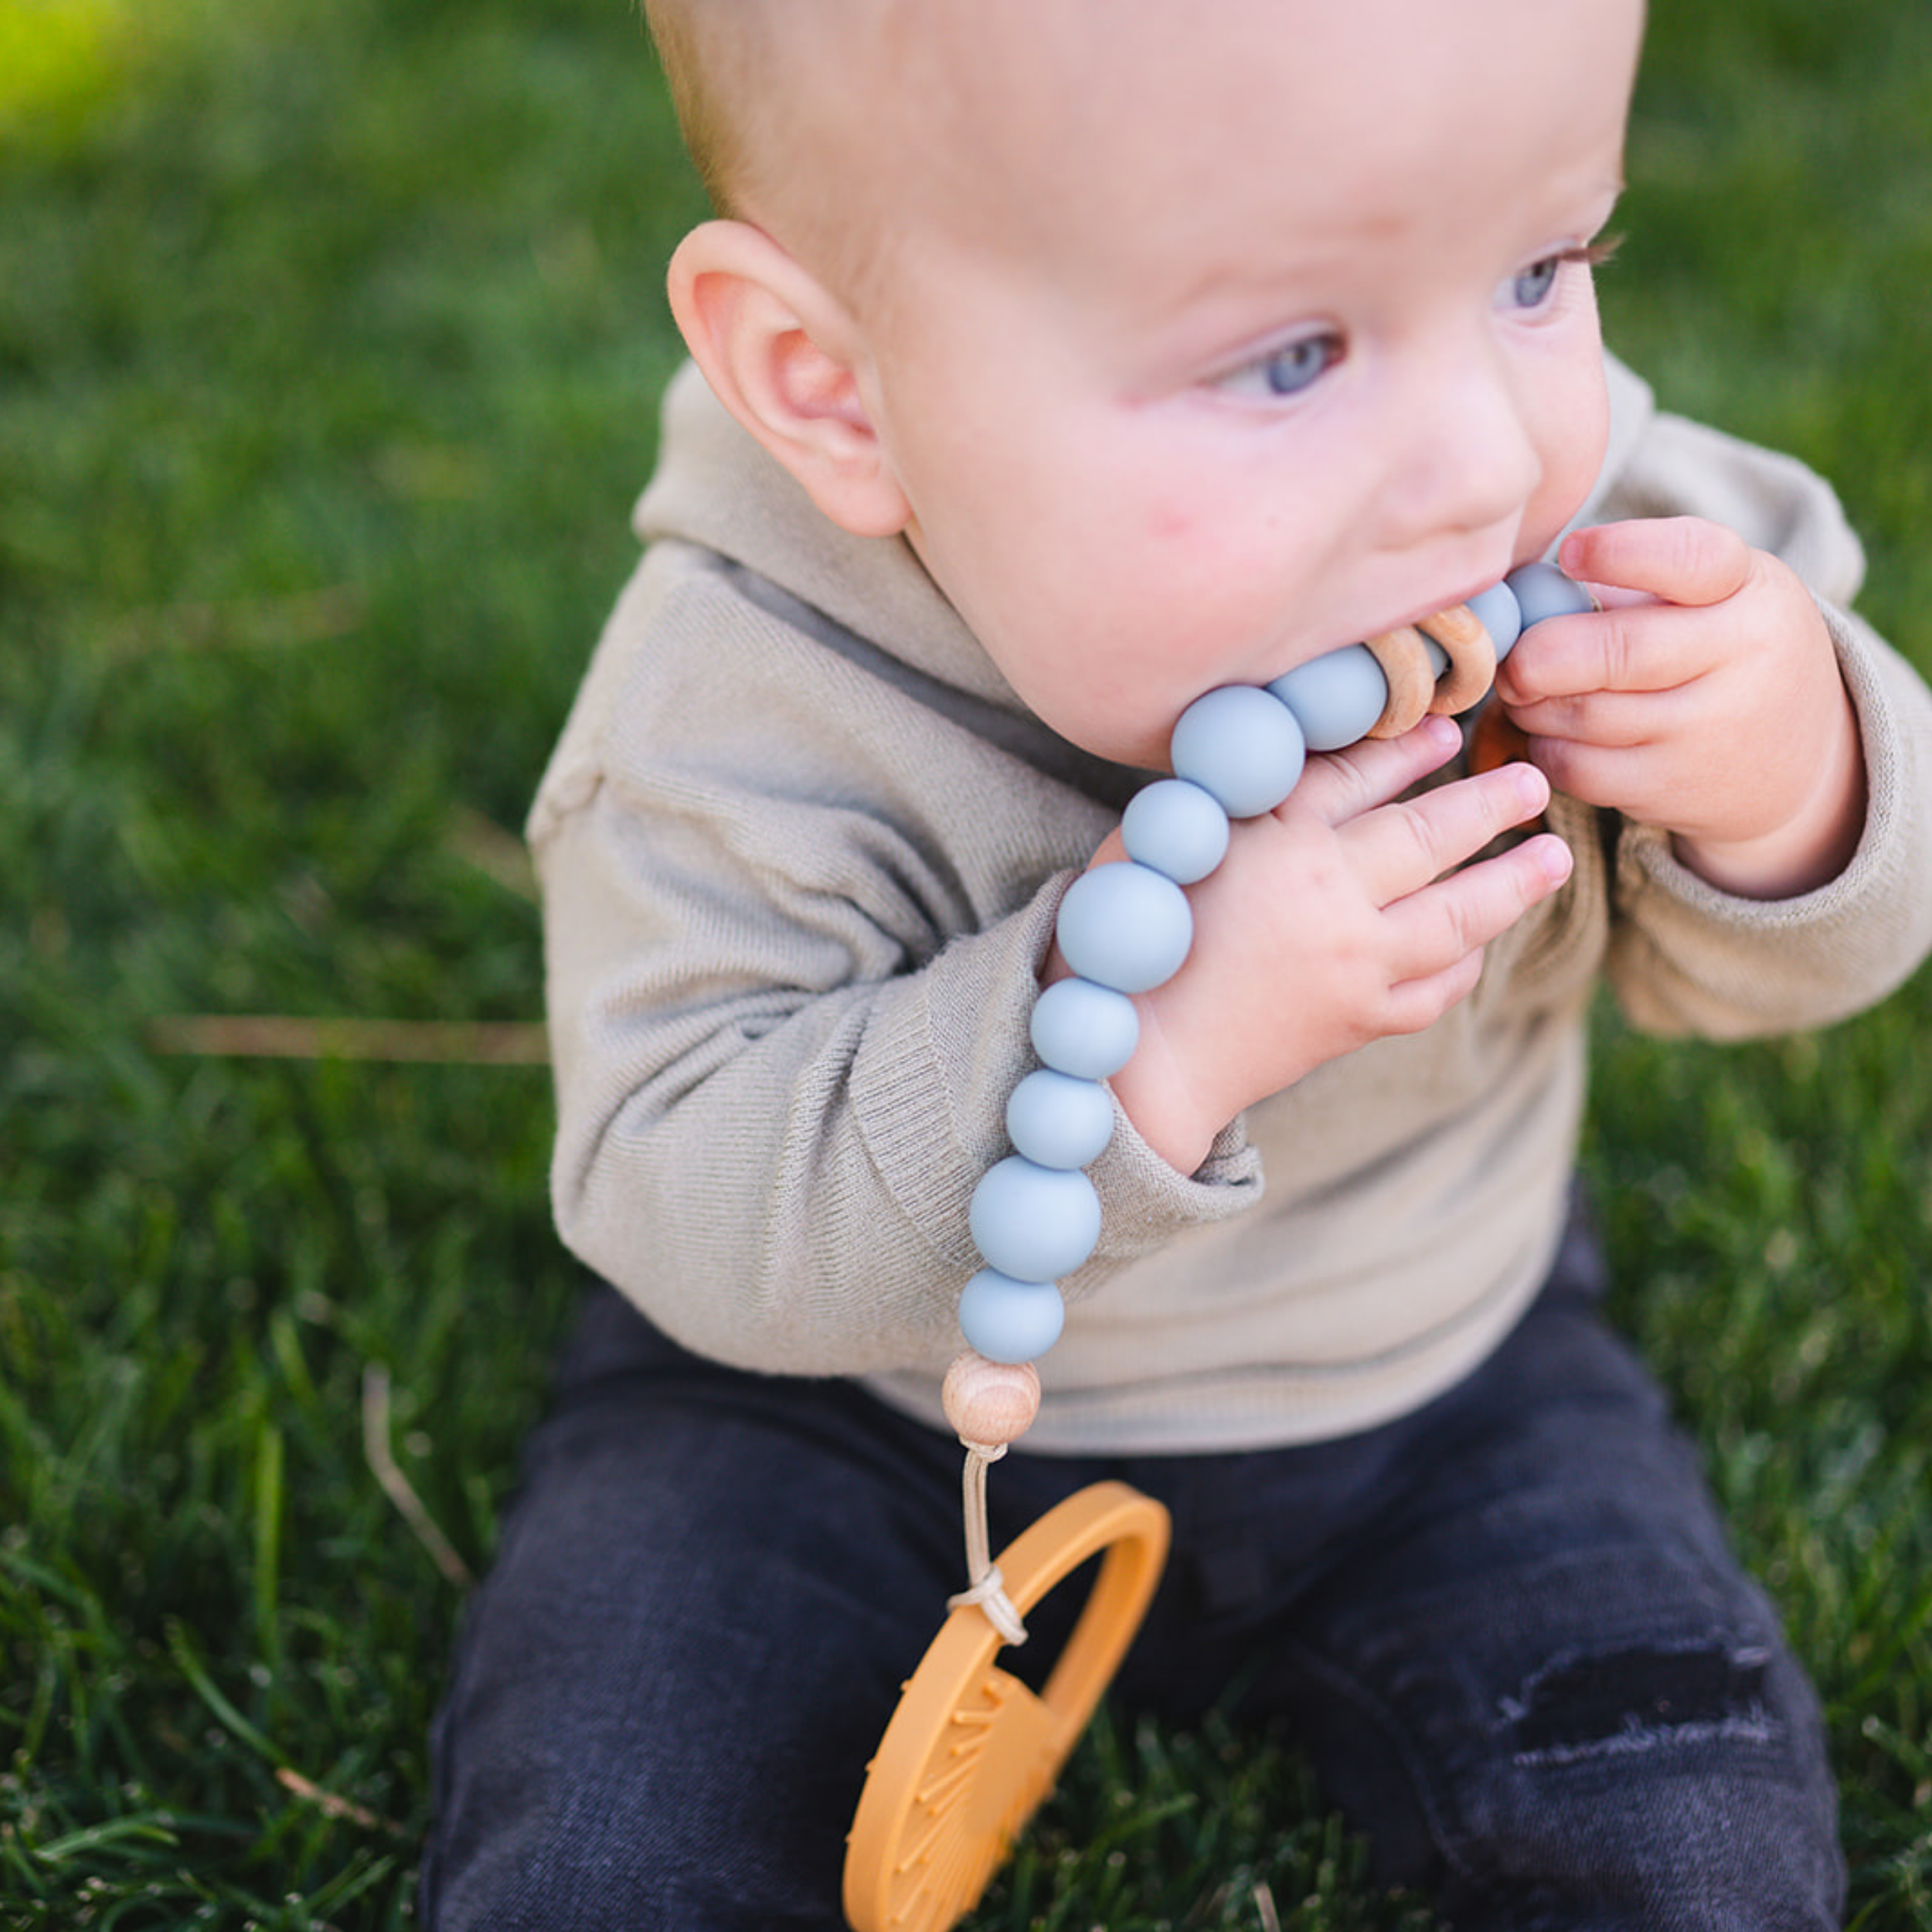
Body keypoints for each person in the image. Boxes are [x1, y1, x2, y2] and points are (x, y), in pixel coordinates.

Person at [422, 2, 1932, 1925]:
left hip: (1442, 1372)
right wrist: (1154, 1033)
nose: (1478, 460)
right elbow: (678, 1184)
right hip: (840, 1419)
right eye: (1290, 353)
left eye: (1542, 270)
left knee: (1686, 1841)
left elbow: (1794, 967)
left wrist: (1793, 770)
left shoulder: (1604, 537)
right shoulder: (740, 710)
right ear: (833, 389)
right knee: (615, 1854)